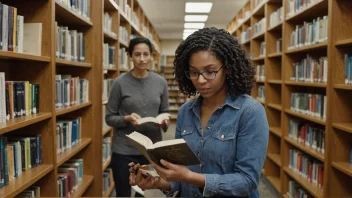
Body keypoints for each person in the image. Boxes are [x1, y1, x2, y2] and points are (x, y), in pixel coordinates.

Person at [129, 27, 269, 198]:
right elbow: (180, 178)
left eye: (210, 72)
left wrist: (191, 177)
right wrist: (159, 183)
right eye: (194, 73)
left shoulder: (250, 112)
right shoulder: (185, 112)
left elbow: (247, 182)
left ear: (228, 68)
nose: (201, 80)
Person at [105, 37, 170, 197]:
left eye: (145, 54)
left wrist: (164, 123)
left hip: (150, 150)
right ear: (130, 56)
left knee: (144, 194)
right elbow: (109, 117)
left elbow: (165, 111)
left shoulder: (161, 82)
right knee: (123, 194)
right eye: (137, 54)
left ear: (151, 56)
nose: (142, 59)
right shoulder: (119, 83)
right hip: (124, 149)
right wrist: (126, 119)